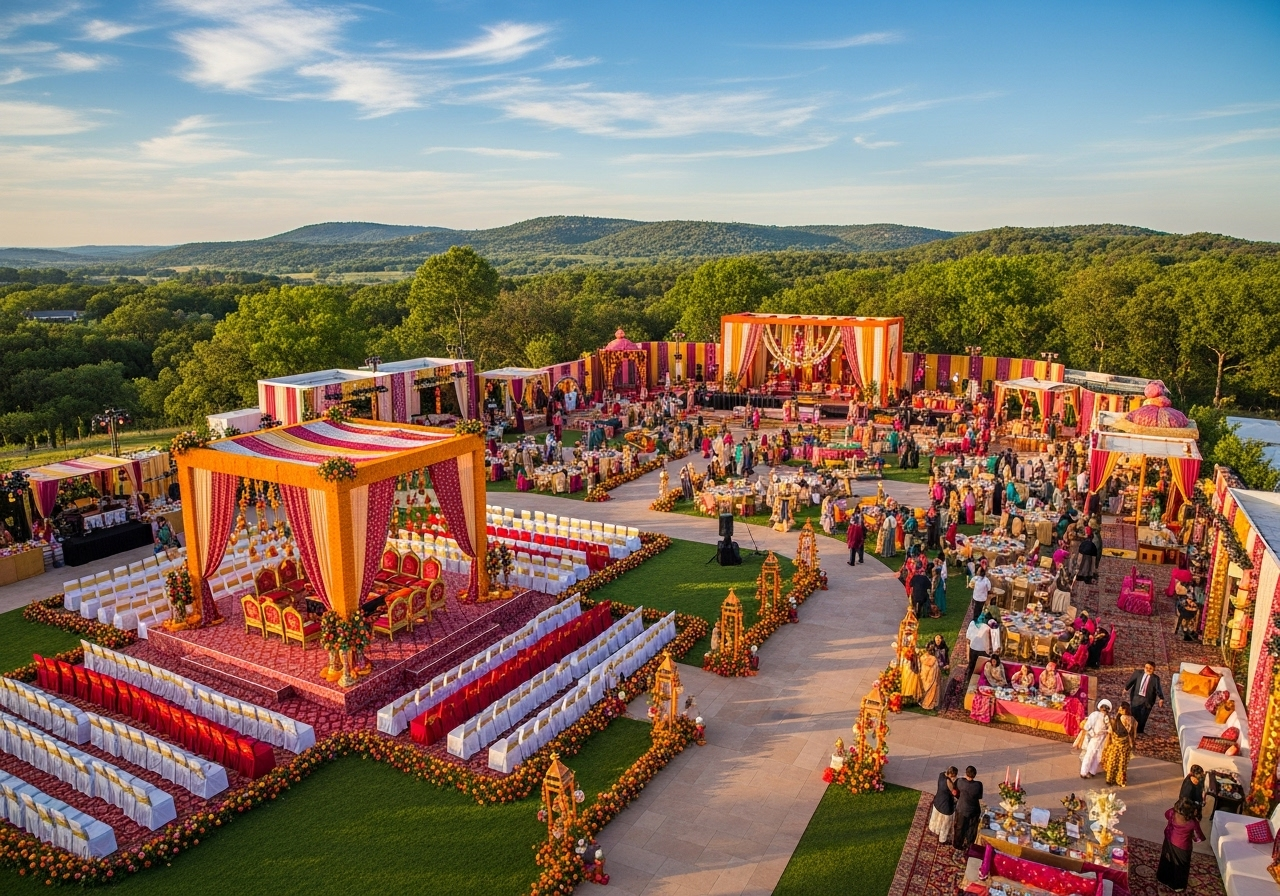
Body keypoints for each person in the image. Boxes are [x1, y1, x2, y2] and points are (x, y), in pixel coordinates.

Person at [1156, 797, 1205, 892]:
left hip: (1169, 839)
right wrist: (1195, 839)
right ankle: (1177, 885)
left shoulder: (1172, 813)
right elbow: (1200, 837)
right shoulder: (1192, 822)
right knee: (1181, 865)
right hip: (1182, 846)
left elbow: (1166, 814)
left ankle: (1162, 877)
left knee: (1166, 858)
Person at [1123, 661, 1166, 735]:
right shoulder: (1138, 673)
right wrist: (1126, 688)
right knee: (1134, 714)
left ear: (1154, 669)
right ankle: (1132, 729)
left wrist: (1161, 698)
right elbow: (1131, 681)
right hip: (1136, 697)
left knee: (1144, 716)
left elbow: (1158, 689)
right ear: (1144, 667)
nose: (1148, 670)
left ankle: (1140, 731)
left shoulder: (1155, 679)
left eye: (1150, 668)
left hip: (1148, 700)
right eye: (1146, 668)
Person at [1102, 701, 1137, 786]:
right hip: (1125, 746)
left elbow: (1110, 732)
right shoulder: (1133, 720)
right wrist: (1133, 744)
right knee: (1122, 764)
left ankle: (1110, 779)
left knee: (1113, 762)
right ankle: (1121, 781)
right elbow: (1133, 734)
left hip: (1115, 745)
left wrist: (1107, 743)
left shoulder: (1115, 719)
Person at [952, 766, 984, 853]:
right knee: (972, 827)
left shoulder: (959, 781)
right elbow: (979, 796)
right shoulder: (978, 785)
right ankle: (970, 844)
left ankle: (957, 844)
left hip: (962, 808)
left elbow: (954, 792)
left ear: (966, 773)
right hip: (974, 809)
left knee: (959, 827)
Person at [1079, 699, 1111, 778]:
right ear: (1100, 708)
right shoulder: (1094, 714)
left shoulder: (1107, 718)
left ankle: (1092, 771)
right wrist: (1093, 734)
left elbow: (1110, 729)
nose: (1104, 710)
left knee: (1098, 755)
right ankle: (1083, 772)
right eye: (1103, 708)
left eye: (1105, 709)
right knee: (1089, 754)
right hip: (1094, 738)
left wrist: (1106, 730)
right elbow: (1087, 726)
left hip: (1102, 738)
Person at [928, 766, 959, 844]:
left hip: (938, 801)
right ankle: (942, 840)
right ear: (951, 775)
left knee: (937, 819)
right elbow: (954, 792)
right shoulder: (949, 783)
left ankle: (935, 830)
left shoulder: (941, 775)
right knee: (945, 824)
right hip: (946, 806)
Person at [965, 616, 994, 682]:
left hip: (977, 650)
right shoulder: (988, 626)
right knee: (982, 669)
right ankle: (973, 682)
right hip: (980, 651)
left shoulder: (972, 623)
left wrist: (967, 655)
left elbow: (968, 641)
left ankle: (971, 682)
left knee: (975, 668)